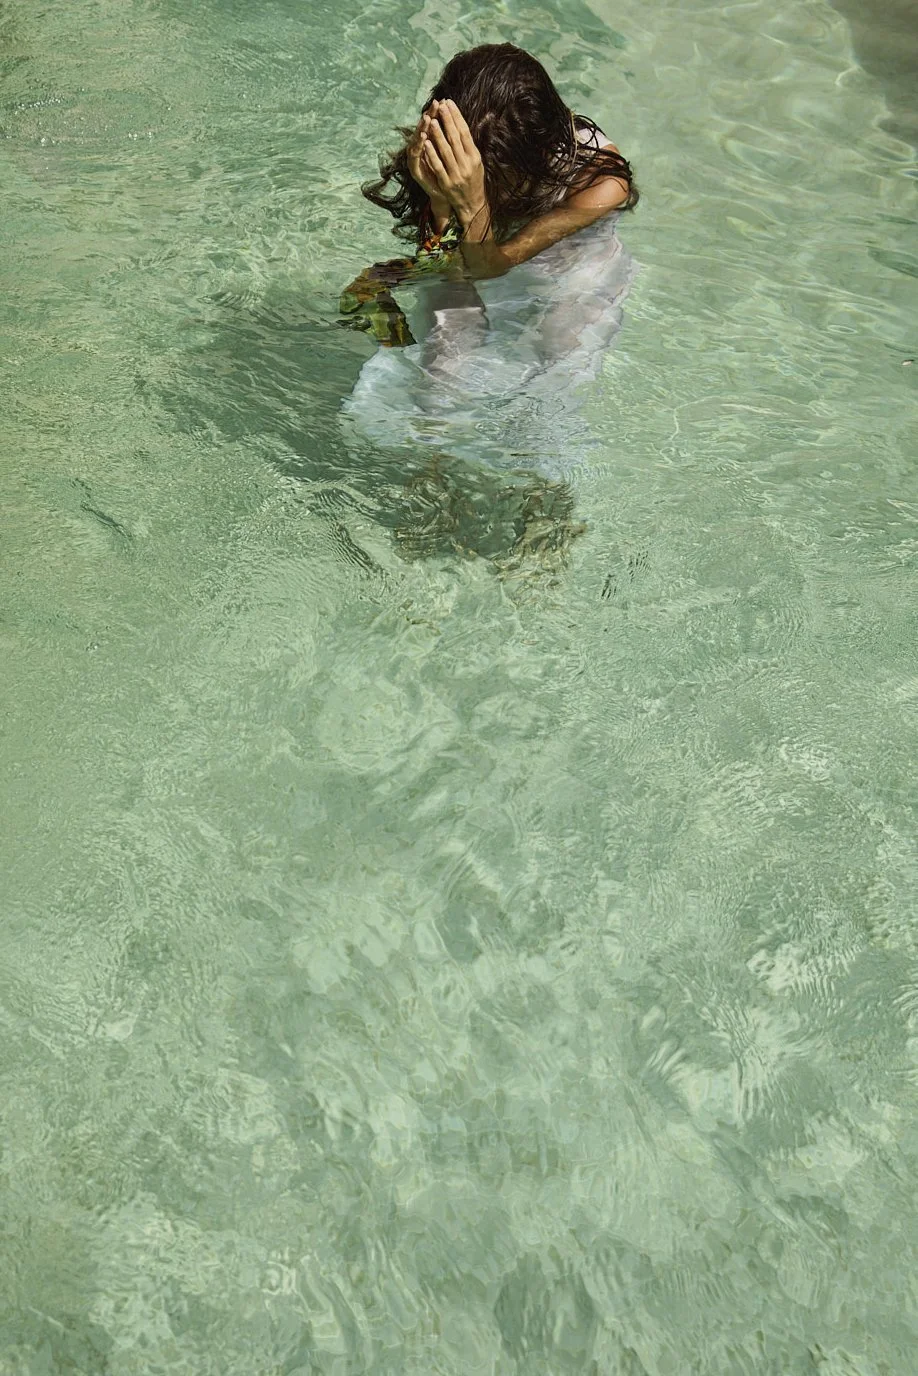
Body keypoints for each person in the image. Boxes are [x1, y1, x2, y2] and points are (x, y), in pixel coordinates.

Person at [339, 43, 639, 570]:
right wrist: (438, 199)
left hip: (571, 269)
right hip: (475, 258)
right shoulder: (444, 153)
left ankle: (545, 505)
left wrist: (474, 201)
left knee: (558, 362)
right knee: (442, 359)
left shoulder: (600, 180)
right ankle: (433, 477)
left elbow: (492, 266)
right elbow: (445, 264)